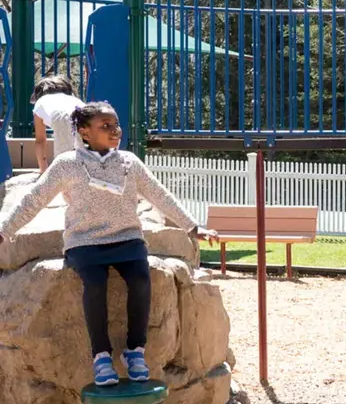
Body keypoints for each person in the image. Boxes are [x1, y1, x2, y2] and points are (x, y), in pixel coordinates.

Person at [0, 102, 217, 385]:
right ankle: (101, 356)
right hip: (84, 242)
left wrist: (192, 226)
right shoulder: (66, 164)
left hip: (127, 238)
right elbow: (34, 199)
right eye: (105, 126)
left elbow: (159, 194)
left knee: (141, 280)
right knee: (95, 284)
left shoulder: (128, 162)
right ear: (84, 132)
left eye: (116, 125)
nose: (115, 131)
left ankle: (135, 350)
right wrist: (5, 229)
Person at [31, 75, 85, 171]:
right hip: (87, 113)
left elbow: (40, 141)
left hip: (62, 118)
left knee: (65, 163)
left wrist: (43, 171)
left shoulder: (40, 103)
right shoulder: (73, 99)